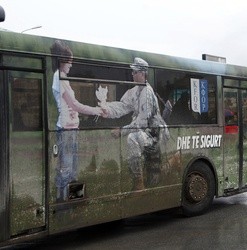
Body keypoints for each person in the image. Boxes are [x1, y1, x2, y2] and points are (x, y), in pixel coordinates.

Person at [101, 57, 169, 190]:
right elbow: (122, 106)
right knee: (155, 178)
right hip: (146, 134)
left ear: (142, 74)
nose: (132, 74)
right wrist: (106, 109)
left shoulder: (147, 92)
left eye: (135, 72)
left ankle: (138, 182)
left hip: (155, 136)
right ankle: (141, 179)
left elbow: (142, 123)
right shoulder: (135, 91)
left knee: (132, 138)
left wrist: (122, 131)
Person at [50, 40, 103, 202]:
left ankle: (71, 201)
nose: (71, 66)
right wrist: (95, 110)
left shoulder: (62, 77)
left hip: (71, 129)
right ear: (63, 61)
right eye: (70, 62)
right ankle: (62, 202)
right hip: (66, 130)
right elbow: (74, 105)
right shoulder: (60, 78)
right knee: (66, 169)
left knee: (73, 169)